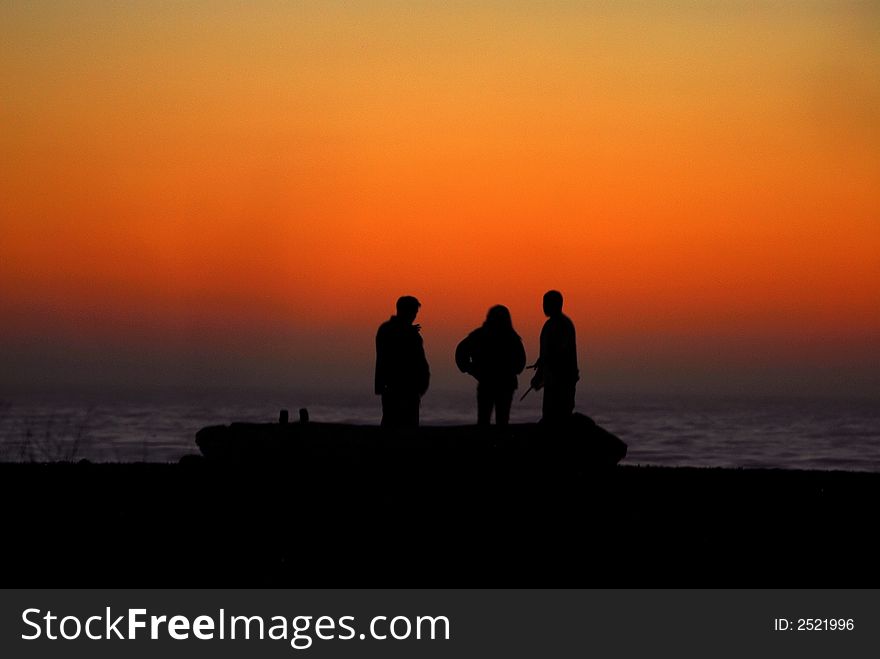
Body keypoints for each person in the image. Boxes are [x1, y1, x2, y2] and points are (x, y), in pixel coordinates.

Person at [455, 305, 527, 426]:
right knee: (501, 420)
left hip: (492, 383)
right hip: (502, 384)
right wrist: (469, 368)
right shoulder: (512, 338)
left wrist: (470, 368)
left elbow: (461, 351)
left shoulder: (480, 335)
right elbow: (520, 363)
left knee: (485, 419)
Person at [375, 296, 430, 427]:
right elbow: (387, 356)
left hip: (410, 390)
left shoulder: (410, 333)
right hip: (396, 388)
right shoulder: (389, 331)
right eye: (413, 312)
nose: (414, 316)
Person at [530, 290, 579, 424]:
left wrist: (541, 373)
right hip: (553, 380)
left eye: (546, 303)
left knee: (558, 416)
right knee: (551, 416)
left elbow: (558, 353)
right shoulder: (551, 325)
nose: (543, 307)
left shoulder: (562, 325)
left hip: (562, 381)